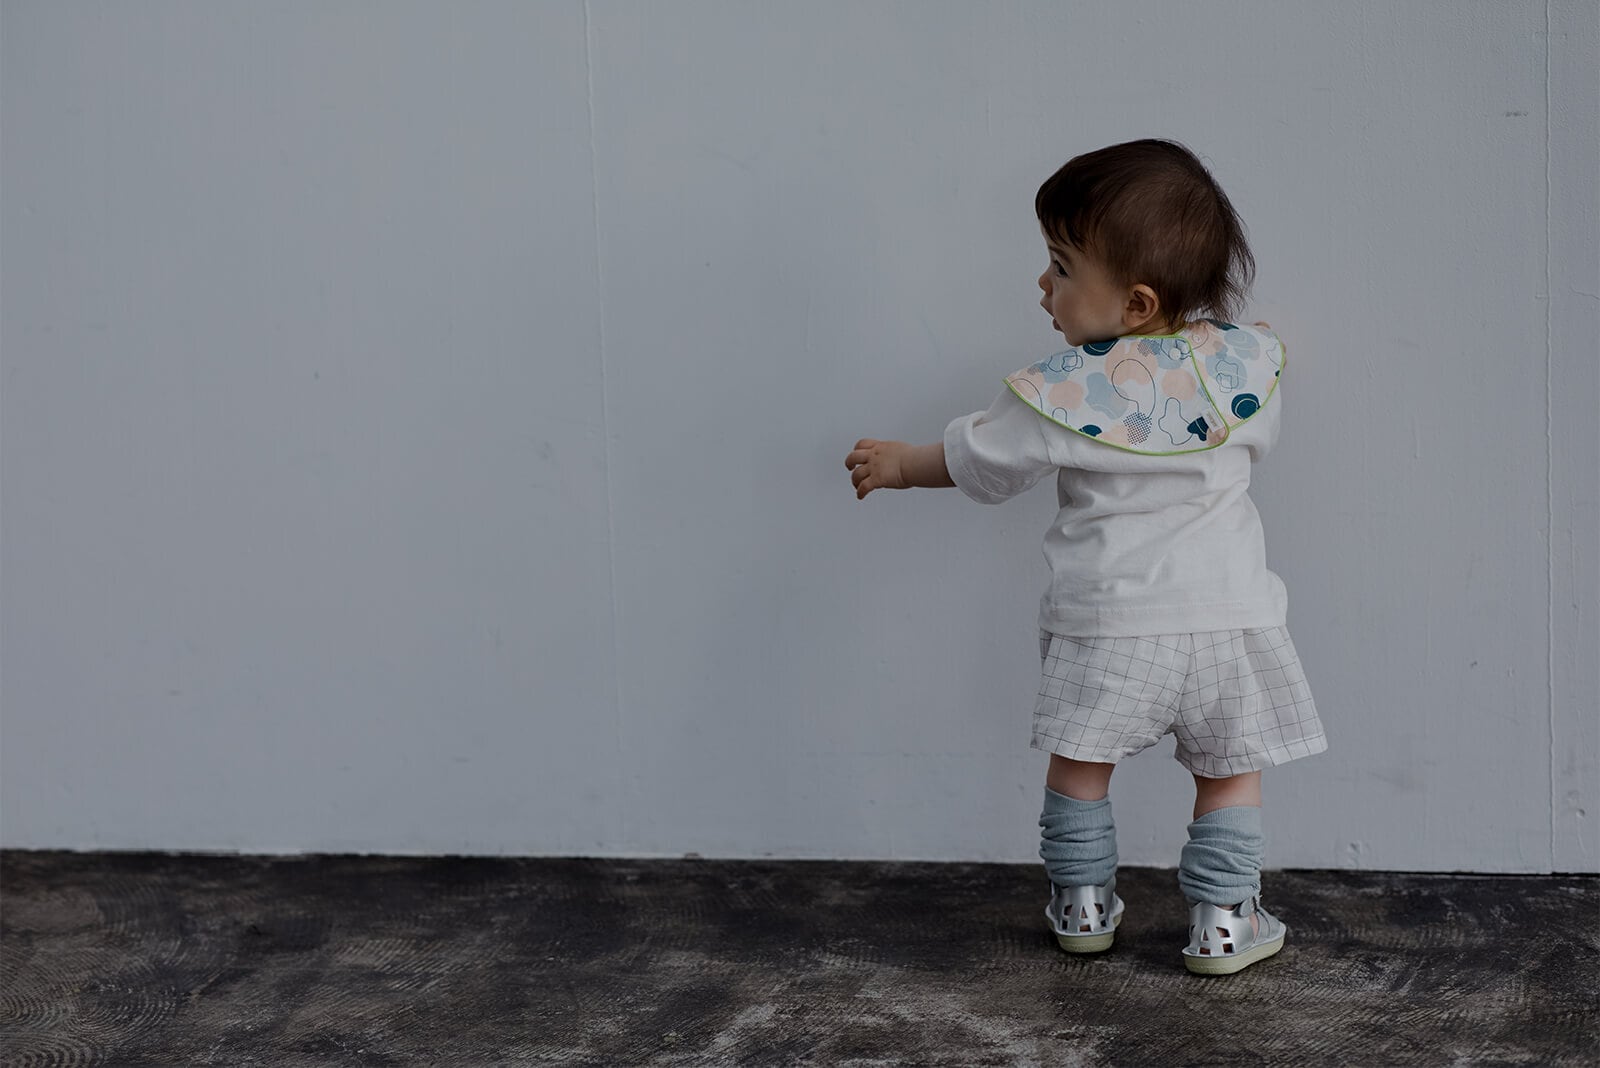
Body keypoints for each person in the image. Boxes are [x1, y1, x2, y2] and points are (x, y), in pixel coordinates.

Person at [844, 139, 1327, 976]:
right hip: (1229, 623)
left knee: (1080, 766)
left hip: (1109, 628)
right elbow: (1262, 414)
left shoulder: (1060, 391)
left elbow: (982, 462)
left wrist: (901, 465)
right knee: (1228, 774)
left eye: (1062, 267)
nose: (1044, 285)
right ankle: (1223, 921)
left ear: (1136, 303)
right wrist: (1237, 344)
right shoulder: (1242, 367)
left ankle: (1082, 904)